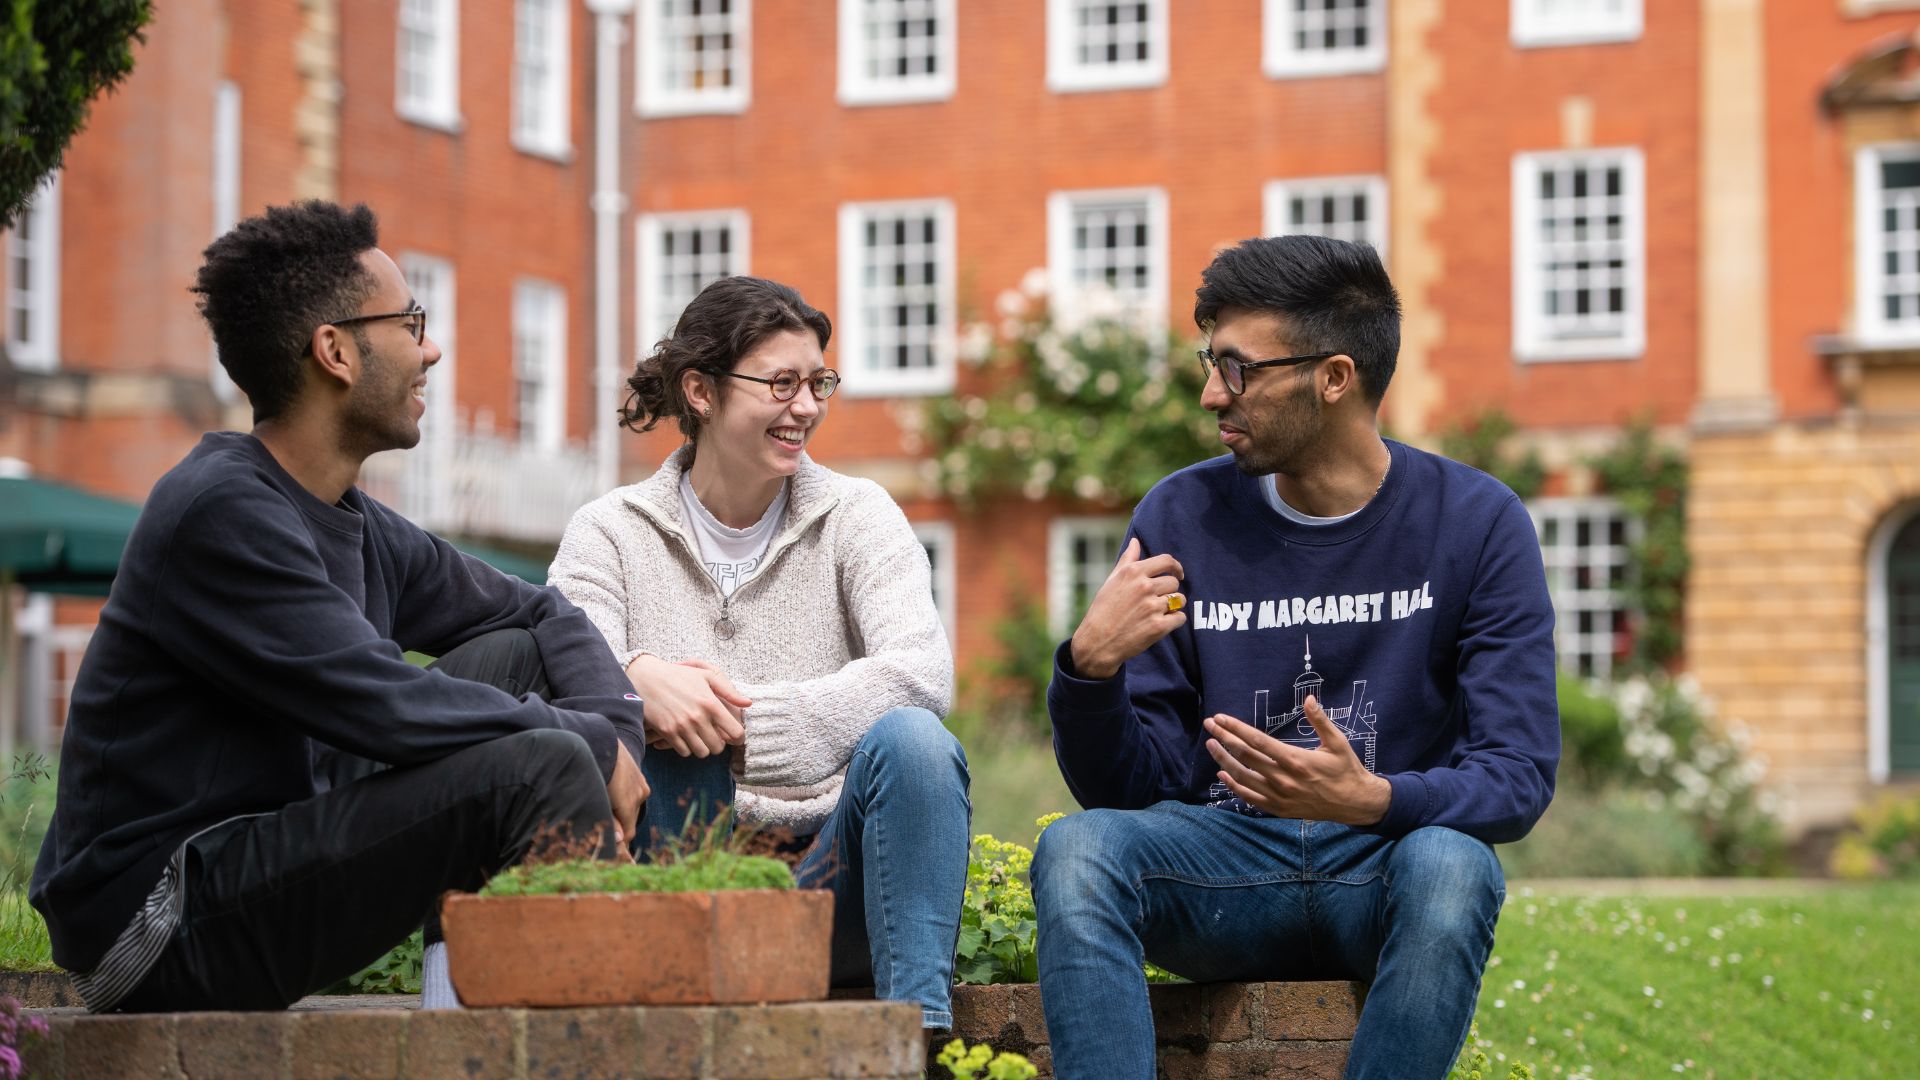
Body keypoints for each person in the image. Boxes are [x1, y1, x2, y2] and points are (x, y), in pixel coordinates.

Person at [29, 201, 648, 1013]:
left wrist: (615, 734)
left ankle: (452, 1009)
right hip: (155, 917)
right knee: (542, 760)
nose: (432, 347)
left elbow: (542, 613)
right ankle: (565, 1045)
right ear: (336, 351)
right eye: (412, 320)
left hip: (272, 848)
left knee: (521, 661)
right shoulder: (218, 512)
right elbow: (381, 702)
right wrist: (589, 744)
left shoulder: (353, 517)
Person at [1032, 235, 1559, 1079]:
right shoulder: (1181, 514)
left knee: (1454, 863)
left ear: (1335, 377)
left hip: (1380, 872)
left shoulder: (1476, 523)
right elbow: (1133, 793)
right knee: (1079, 849)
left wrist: (1374, 799)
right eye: (1211, 363)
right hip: (1221, 867)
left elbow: (1518, 775)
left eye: (1239, 369)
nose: (1212, 394)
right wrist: (1088, 673)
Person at [548, 275, 968, 1030]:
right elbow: (566, 675)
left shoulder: (859, 515)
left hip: (830, 881)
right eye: (781, 383)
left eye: (818, 383)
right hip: (673, 868)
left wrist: (747, 725)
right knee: (641, 716)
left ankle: (917, 1035)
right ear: (701, 392)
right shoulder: (606, 532)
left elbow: (922, 672)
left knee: (916, 739)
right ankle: (672, 1021)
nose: (805, 407)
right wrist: (640, 681)